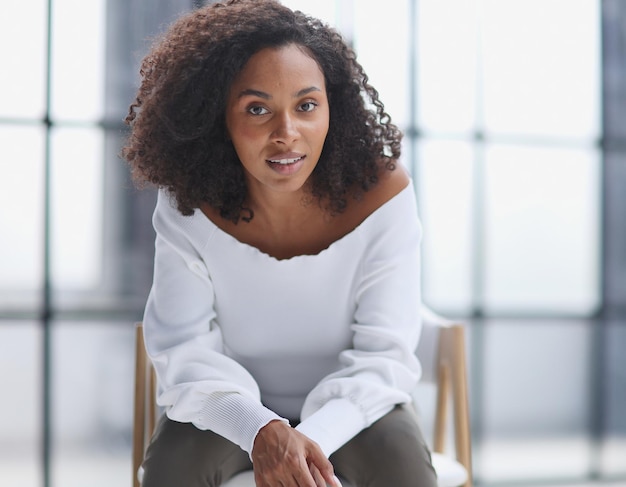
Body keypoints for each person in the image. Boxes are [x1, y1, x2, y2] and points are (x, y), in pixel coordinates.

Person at [122, 1, 436, 486]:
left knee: (403, 469)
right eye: (258, 109)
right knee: (171, 470)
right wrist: (261, 428)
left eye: (306, 105)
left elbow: (384, 358)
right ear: (217, 117)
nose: (286, 134)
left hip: (354, 407)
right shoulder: (189, 202)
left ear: (334, 108)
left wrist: (307, 441)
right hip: (225, 407)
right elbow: (185, 350)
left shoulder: (383, 195)